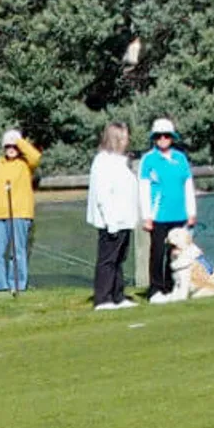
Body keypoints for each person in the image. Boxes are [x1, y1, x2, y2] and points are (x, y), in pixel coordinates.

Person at [136, 116, 196, 303]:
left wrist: (191, 211)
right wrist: (146, 216)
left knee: (177, 253)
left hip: (179, 214)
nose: (163, 139)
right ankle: (155, 289)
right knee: (158, 252)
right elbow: (144, 189)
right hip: (158, 215)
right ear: (154, 138)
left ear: (172, 137)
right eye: (159, 136)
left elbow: (188, 185)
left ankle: (172, 287)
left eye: (167, 136)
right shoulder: (148, 160)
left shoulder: (180, 158)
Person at [85, 122, 140, 309]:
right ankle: (103, 298)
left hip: (125, 218)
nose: (127, 141)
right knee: (107, 260)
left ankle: (118, 295)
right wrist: (111, 221)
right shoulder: (103, 161)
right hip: (111, 220)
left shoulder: (120, 161)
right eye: (124, 137)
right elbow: (103, 195)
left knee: (119, 259)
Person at [0, 127, 41, 292]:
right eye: (8, 145)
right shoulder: (0, 162)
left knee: (17, 250)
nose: (11, 149)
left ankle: (17, 283)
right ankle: (0, 284)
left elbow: (36, 157)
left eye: (14, 146)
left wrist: (18, 140)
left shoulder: (26, 163)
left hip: (19, 212)